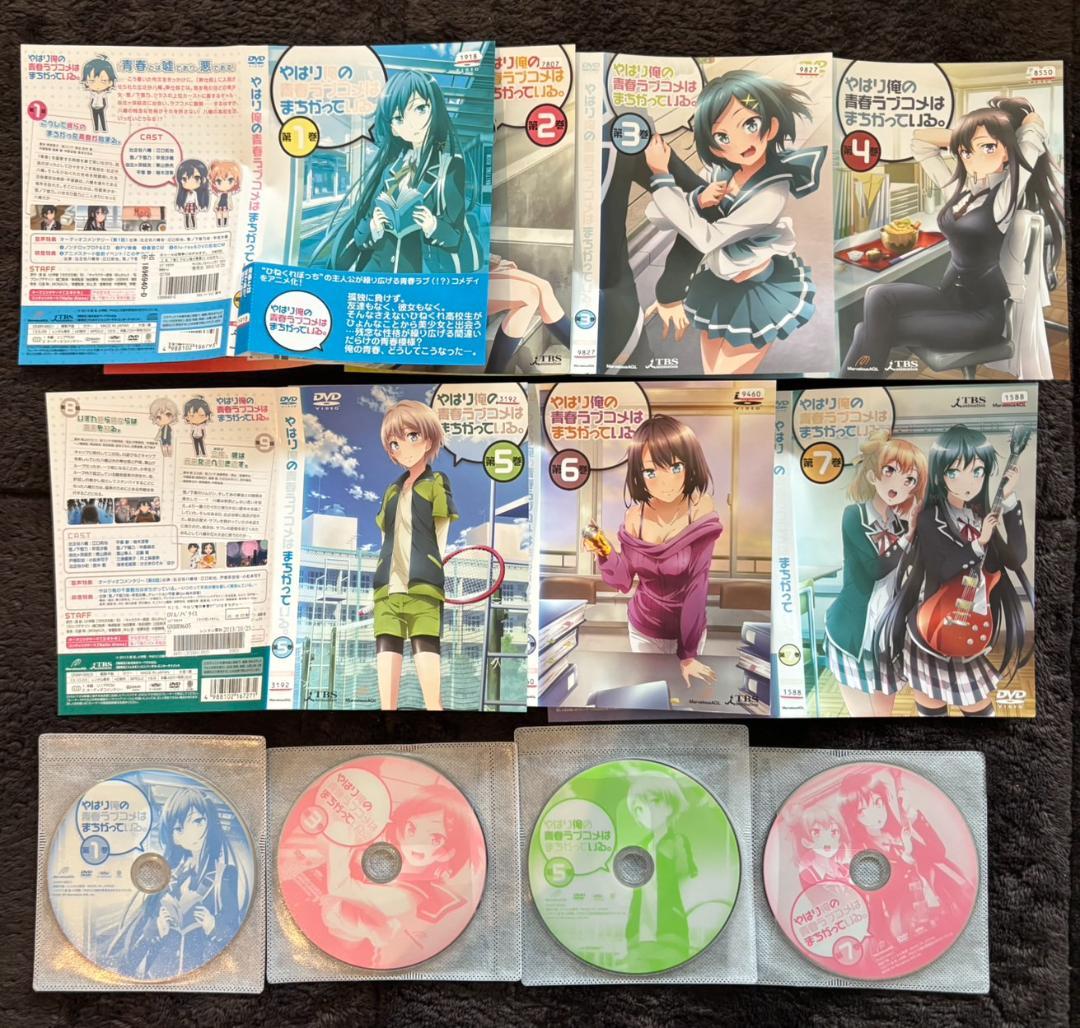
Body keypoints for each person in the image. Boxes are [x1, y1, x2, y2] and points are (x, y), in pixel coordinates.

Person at [841, 97, 1065, 377]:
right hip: (949, 297)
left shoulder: (1004, 198)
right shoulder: (960, 192)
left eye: (988, 148)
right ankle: (861, 380)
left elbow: (1031, 138)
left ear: (1009, 152)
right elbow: (921, 143)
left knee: (870, 329)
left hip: (979, 318)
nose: (974, 158)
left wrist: (1019, 130)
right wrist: (968, 137)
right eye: (966, 152)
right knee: (877, 295)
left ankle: (857, 381)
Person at [642, 70, 825, 374]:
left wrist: (662, 177)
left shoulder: (772, 193)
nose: (740, 143)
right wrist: (697, 200)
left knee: (723, 379)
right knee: (712, 377)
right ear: (714, 146)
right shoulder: (720, 172)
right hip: (717, 286)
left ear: (771, 126)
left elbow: (707, 238)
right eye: (723, 136)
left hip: (758, 294)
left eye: (750, 124)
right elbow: (657, 216)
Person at [876, 425, 1031, 717]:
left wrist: (1009, 501)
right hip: (934, 622)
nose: (968, 482)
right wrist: (979, 543)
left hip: (973, 622)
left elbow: (1014, 559)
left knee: (979, 708)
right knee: (931, 709)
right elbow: (944, 567)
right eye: (954, 472)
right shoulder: (929, 517)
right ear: (940, 474)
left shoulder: (981, 515)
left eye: (978, 471)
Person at [584, 414, 722, 688]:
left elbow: (697, 585)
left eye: (675, 467)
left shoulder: (700, 508)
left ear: (690, 464)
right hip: (642, 626)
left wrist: (688, 653)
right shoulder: (635, 516)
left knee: (684, 696)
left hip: (687, 629)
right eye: (651, 472)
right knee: (650, 693)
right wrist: (602, 548)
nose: (665, 482)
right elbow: (624, 581)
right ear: (639, 474)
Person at [312, 70, 479, 274]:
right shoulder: (390, 168)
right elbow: (360, 233)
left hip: (418, 276)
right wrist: (374, 227)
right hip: (376, 272)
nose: (412, 124)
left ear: (435, 110)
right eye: (399, 118)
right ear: (393, 129)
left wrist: (433, 225)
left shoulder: (450, 166)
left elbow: (455, 236)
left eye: (420, 109)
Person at [825, 433, 927, 716]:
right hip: (853, 628)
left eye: (910, 479)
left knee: (883, 714)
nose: (899, 484)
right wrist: (909, 535)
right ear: (872, 476)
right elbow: (875, 568)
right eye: (890, 471)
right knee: (860, 715)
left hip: (890, 631)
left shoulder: (902, 523)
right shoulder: (854, 515)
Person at [105, 788, 244, 979]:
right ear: (173, 836)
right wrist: (157, 927)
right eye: (179, 828)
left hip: (201, 976)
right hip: (155, 976)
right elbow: (145, 928)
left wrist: (212, 925)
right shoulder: (169, 874)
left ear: (210, 824)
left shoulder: (225, 874)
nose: (191, 834)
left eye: (198, 821)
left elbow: (234, 932)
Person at [372, 401, 457, 711]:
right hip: (387, 588)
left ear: (429, 439)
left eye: (411, 436)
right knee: (387, 647)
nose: (403, 449)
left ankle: (435, 711)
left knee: (425, 645)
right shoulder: (391, 490)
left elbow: (441, 530)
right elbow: (385, 534)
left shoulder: (437, 482)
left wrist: (433, 568)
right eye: (394, 443)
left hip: (423, 585)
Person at [82, 55, 116, 133]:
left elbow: (104, 101)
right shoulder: (92, 93)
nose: (97, 85)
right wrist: (91, 106)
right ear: (86, 82)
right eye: (92, 81)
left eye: (103, 81)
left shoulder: (103, 93)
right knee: (95, 119)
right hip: (94, 107)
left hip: (100, 107)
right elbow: (91, 100)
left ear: (110, 82)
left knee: (102, 118)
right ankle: (96, 129)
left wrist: (103, 107)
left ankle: (104, 129)